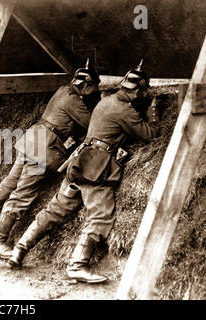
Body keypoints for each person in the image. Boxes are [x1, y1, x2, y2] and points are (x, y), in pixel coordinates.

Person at [8, 60, 161, 284]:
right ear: (138, 91)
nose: (142, 95)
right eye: (142, 92)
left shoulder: (106, 101)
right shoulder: (125, 110)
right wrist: (153, 111)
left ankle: (19, 249)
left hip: (79, 162)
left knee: (57, 209)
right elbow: (151, 134)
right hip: (96, 168)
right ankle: (77, 266)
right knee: (100, 215)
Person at [0, 60, 102, 262]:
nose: (93, 92)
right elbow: (92, 124)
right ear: (86, 85)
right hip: (42, 149)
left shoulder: (63, 90)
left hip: (32, 140)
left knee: (7, 185)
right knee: (22, 195)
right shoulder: (74, 101)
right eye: (92, 89)